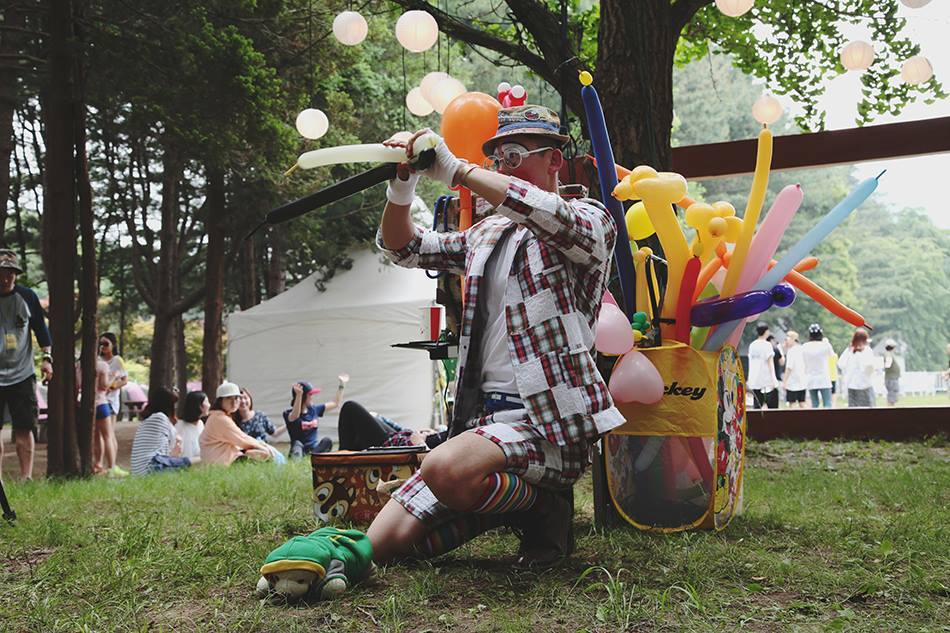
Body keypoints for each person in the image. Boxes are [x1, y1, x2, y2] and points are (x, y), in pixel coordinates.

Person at [366, 104, 622, 569]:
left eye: (516, 153)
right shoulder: (486, 234)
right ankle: (522, 509)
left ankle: (545, 504)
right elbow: (404, 247)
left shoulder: (591, 219)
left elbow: (543, 211)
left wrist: (457, 170)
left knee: (444, 469)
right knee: (386, 546)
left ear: (555, 160)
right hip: (485, 423)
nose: (504, 164)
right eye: (499, 157)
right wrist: (401, 185)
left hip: (549, 427)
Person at [0, 249, 51, 481]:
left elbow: (41, 330)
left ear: (16, 274)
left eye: (10, 272)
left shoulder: (27, 296)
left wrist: (47, 360)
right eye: (2, 272)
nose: (6, 277)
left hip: (22, 373)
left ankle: (26, 477)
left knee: (24, 426)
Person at [200, 381, 272, 466]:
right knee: (265, 453)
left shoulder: (219, 416)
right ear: (220, 401)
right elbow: (242, 439)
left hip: (222, 458)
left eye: (236, 398)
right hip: (223, 462)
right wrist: (263, 447)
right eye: (228, 398)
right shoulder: (220, 419)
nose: (234, 402)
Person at [284, 375, 348, 458]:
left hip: (314, 450)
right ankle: (298, 460)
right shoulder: (288, 414)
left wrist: (342, 385)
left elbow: (335, 403)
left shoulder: (314, 410)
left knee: (327, 441)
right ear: (303, 397)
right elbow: (295, 416)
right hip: (299, 450)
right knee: (297, 444)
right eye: (310, 395)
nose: (312, 397)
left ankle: (313, 457)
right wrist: (299, 395)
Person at [130, 387, 190, 475]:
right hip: (149, 470)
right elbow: (170, 448)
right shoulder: (159, 418)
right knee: (196, 460)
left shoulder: (149, 420)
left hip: (142, 470)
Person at [337, 400, 435, 450]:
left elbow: (426, 455)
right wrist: (435, 433)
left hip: (395, 445)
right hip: (401, 436)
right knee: (372, 417)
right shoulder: (448, 437)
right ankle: (344, 456)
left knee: (350, 407)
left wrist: (420, 442)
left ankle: (342, 457)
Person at [95, 332, 128, 477]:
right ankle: (99, 464)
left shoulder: (117, 360)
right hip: (100, 399)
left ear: (113, 345)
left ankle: (112, 466)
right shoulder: (97, 360)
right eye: (100, 344)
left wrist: (113, 386)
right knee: (97, 435)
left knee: (109, 433)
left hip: (111, 400)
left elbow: (125, 379)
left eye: (106, 344)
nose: (103, 347)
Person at [838, 328, 876, 407]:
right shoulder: (867, 350)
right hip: (866, 385)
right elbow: (871, 366)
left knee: (854, 412)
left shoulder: (849, 350)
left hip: (852, 385)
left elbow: (841, 364)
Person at [800, 324, 835, 408]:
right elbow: (832, 356)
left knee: (814, 404)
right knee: (827, 403)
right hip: (824, 378)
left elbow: (803, 360)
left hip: (811, 378)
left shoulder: (805, 346)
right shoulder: (826, 345)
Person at [747, 323, 779, 409]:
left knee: (757, 406)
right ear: (766, 332)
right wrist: (774, 379)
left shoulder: (752, 345)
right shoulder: (767, 345)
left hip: (755, 380)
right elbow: (770, 363)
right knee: (772, 406)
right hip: (766, 380)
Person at [175, 390, 208, 463]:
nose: (209, 405)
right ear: (200, 406)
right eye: (207, 402)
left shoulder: (200, 424)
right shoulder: (179, 426)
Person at [781, 331, 807, 409]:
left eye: (787, 339)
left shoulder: (791, 351)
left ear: (793, 339)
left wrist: (784, 381)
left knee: (792, 404)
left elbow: (789, 368)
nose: (786, 341)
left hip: (792, 382)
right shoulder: (801, 348)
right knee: (802, 403)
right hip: (802, 381)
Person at [882, 339, 901, 406]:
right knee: (892, 394)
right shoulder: (889, 355)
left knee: (892, 394)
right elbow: (888, 364)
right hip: (892, 378)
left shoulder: (888, 354)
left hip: (891, 378)